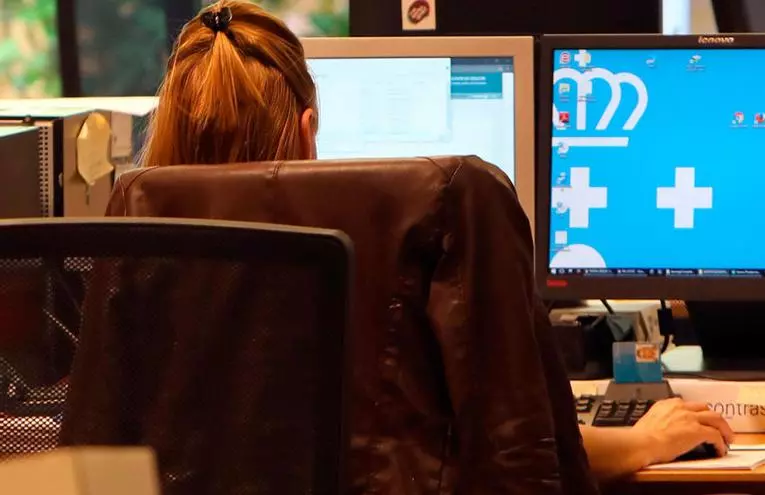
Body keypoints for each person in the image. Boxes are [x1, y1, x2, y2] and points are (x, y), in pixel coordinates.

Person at [139, 0, 734, 490]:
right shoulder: (354, 280)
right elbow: (515, 450)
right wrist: (646, 441)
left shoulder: (141, 273)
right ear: (307, 129)